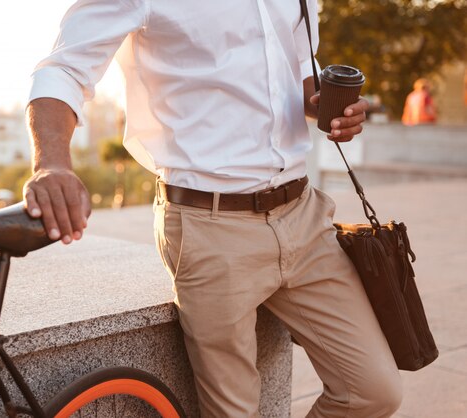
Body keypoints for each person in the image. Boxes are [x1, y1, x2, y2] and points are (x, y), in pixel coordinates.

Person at [22, 1, 402, 416]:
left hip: (304, 216)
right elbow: (63, 69)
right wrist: (52, 163)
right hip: (210, 224)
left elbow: (295, 65)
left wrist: (326, 104)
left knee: (374, 391)